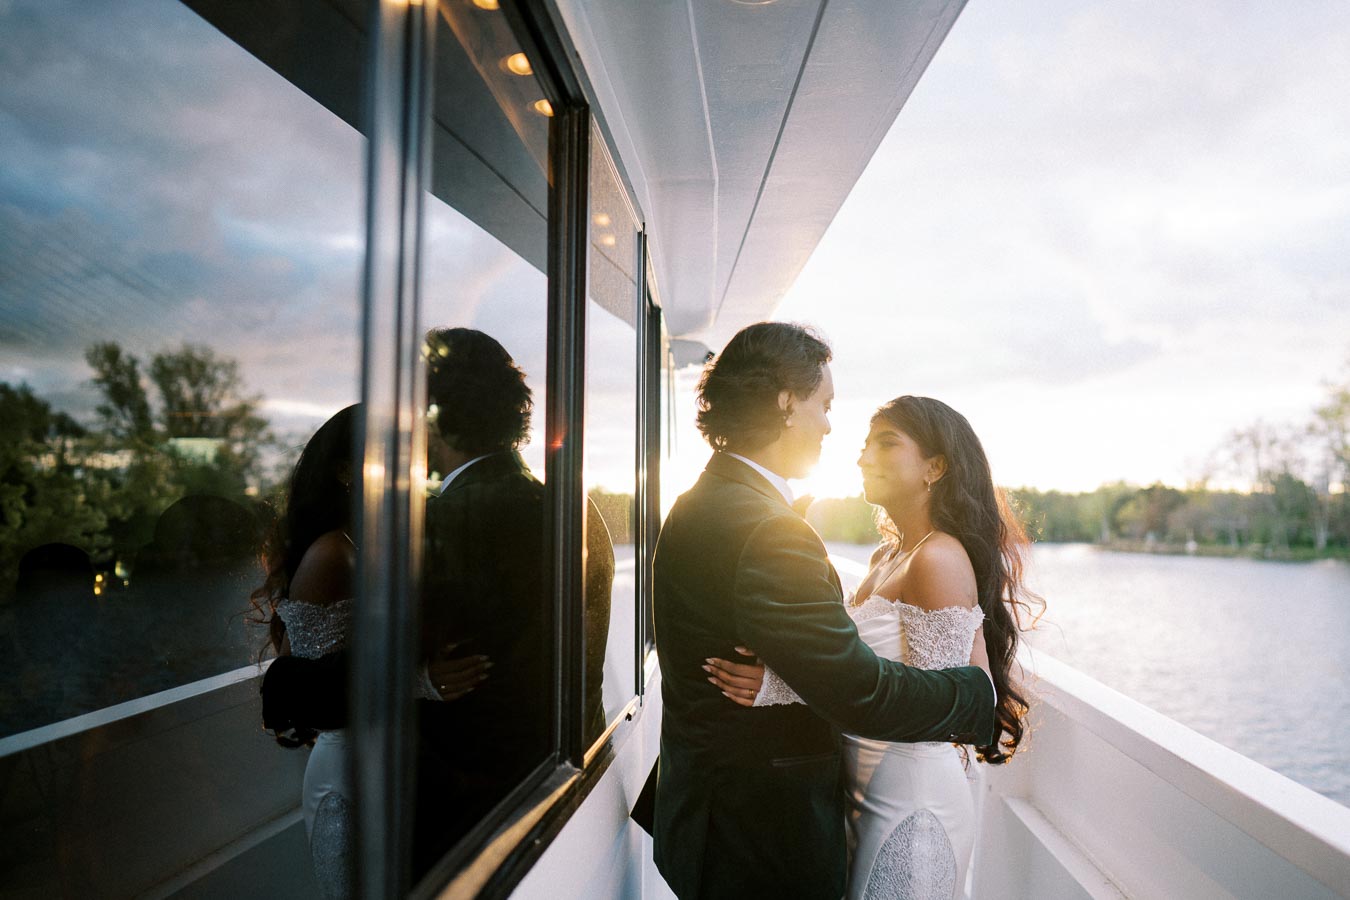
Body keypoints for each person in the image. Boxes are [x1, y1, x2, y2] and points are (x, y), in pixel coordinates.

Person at [651, 323, 997, 900]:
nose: (832, 426)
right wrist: (976, 696)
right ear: (786, 403)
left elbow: (830, 664)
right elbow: (858, 690)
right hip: (758, 836)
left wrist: (778, 683)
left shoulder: (701, 501)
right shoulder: (768, 527)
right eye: (824, 405)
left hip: (717, 816)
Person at [709, 395, 1040, 898]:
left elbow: (939, 707)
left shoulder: (939, 560)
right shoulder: (888, 556)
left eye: (886, 444)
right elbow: (858, 666)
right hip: (866, 786)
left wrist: (781, 685)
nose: (864, 457)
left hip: (915, 799)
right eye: (865, 445)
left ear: (935, 467)